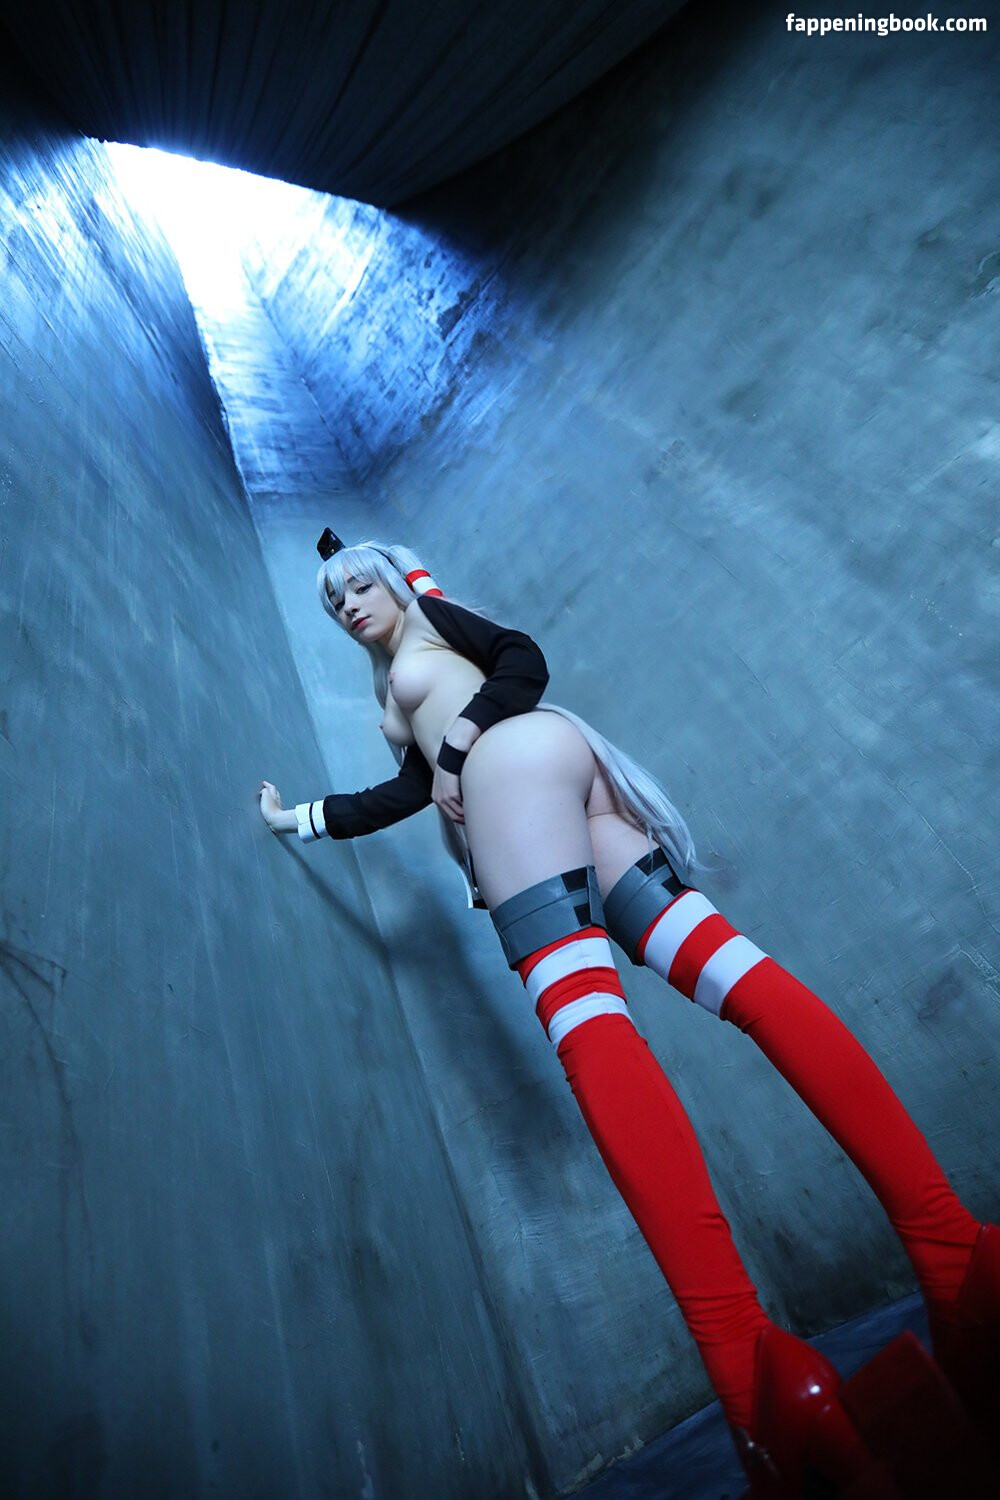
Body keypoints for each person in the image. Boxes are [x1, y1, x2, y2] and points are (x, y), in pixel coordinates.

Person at [258, 535, 998, 1496]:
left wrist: (460, 744)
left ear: (400, 581)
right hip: (568, 774)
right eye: (334, 602)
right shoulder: (399, 679)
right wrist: (299, 819)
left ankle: (753, 1380)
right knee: (739, 978)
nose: (350, 604)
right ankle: (960, 1259)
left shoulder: (432, 622)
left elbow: (519, 655)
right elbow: (401, 793)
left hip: (512, 775)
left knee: (590, 1029)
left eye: (362, 584)